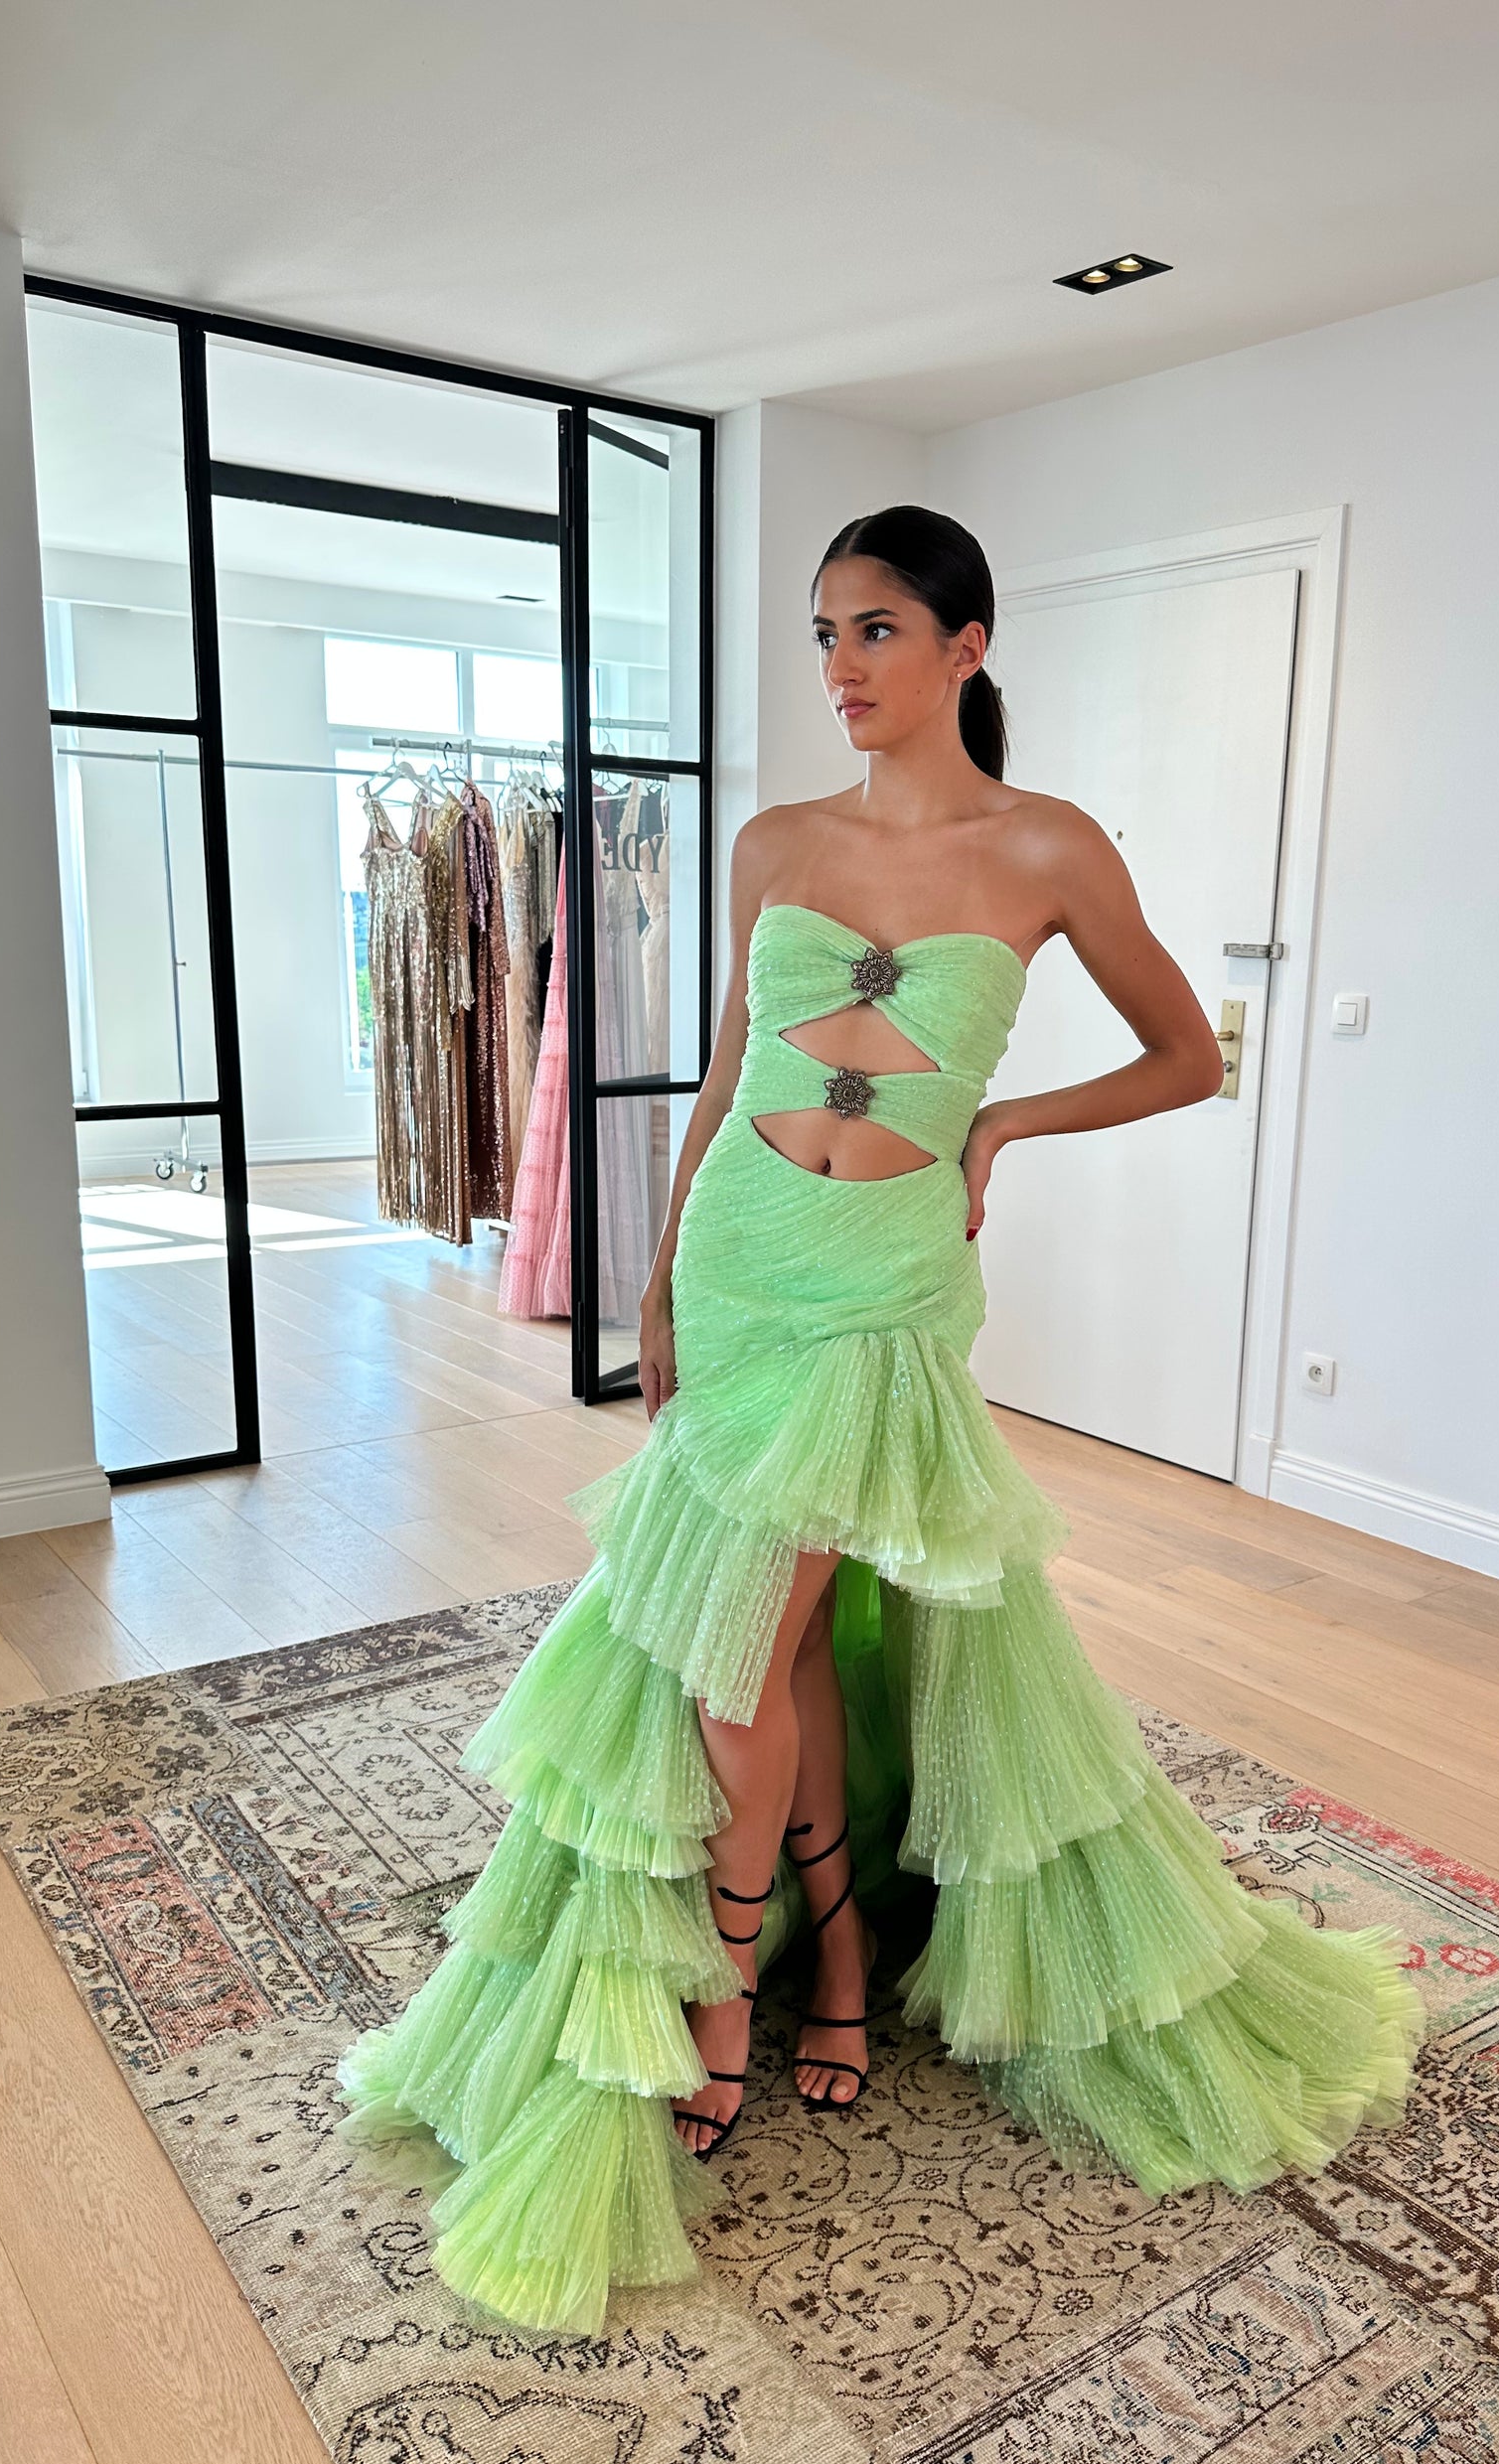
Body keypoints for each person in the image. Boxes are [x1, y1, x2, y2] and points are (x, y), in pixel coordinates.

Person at [336, 505, 1424, 2339]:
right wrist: (656, 1278)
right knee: (771, 1639)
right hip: (744, 1263)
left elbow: (1187, 1055)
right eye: (824, 634)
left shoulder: (1048, 846)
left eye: (875, 630)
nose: (840, 667)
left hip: (885, 1289)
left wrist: (998, 1124)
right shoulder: (773, 841)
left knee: (734, 1651)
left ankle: (724, 1982)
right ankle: (833, 1956)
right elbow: (728, 1072)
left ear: (964, 646)